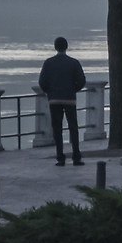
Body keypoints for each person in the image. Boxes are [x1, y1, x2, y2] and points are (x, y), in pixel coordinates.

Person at [39, 37, 87, 166]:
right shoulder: (74, 63)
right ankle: (76, 156)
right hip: (69, 99)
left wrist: (50, 92)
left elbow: (42, 82)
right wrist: (73, 90)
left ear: (55, 47)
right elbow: (82, 80)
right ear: (66, 47)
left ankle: (60, 157)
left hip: (54, 99)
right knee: (73, 127)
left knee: (57, 128)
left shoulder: (48, 63)